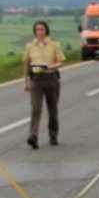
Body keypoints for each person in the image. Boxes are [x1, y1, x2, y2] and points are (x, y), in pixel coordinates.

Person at [23, 20, 66, 148]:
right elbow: (26, 63)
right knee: (36, 108)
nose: (39, 32)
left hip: (51, 78)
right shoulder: (30, 46)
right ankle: (33, 135)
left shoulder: (54, 45)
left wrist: (52, 66)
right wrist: (26, 81)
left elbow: (61, 61)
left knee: (52, 109)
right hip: (36, 79)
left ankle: (53, 135)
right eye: (37, 30)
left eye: (42, 29)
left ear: (46, 31)